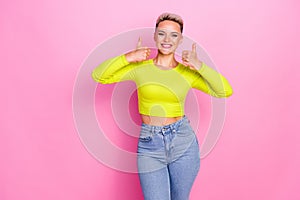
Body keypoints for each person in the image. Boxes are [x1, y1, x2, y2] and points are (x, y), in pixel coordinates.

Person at [92, 13, 233, 200]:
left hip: (183, 141)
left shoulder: (186, 72)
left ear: (180, 39)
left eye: (174, 35)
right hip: (150, 144)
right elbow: (99, 75)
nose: (167, 40)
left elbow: (224, 90)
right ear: (155, 36)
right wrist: (129, 57)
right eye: (162, 34)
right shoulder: (141, 68)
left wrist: (199, 65)